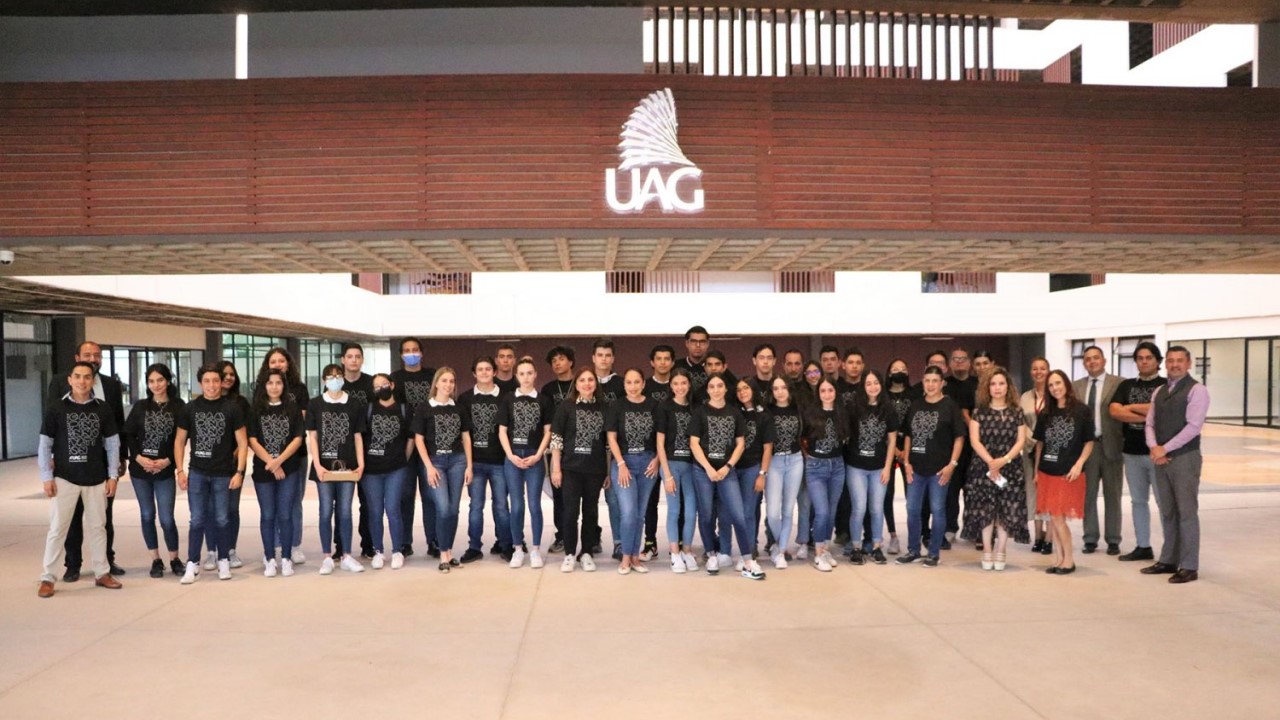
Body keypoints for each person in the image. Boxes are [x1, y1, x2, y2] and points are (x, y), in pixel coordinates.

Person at [36, 361, 123, 598]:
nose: (82, 381)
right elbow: (45, 444)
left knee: (98, 528)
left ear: (92, 381)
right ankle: (48, 577)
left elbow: (112, 444)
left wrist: (113, 475)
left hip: (96, 478)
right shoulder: (56, 408)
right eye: (77, 376)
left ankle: (102, 573)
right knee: (58, 529)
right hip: (65, 478)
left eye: (87, 377)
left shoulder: (103, 409)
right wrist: (46, 476)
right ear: (70, 380)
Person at [1141, 346, 1209, 584]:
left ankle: (1189, 566)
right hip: (1160, 458)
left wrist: (1165, 448)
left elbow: (1193, 427)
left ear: (1188, 363)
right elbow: (1150, 423)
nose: (1175, 365)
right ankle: (1168, 559)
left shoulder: (1197, 390)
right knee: (1168, 511)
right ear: (1165, 364)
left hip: (1185, 458)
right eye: (1170, 361)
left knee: (1186, 512)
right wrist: (1154, 447)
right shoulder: (1159, 391)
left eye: (1180, 360)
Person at [175, 363, 249, 584]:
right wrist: (180, 470)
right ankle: (192, 563)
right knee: (197, 519)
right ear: (201, 383)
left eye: (216, 381)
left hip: (223, 473)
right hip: (197, 472)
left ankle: (224, 560)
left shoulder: (232, 408)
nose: (212, 385)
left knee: (222, 518)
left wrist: (239, 472)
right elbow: (179, 441)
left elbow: (242, 443)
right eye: (207, 381)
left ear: (221, 383)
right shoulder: (190, 408)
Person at [690, 373, 765, 580]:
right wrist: (708, 468)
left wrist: (728, 466)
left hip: (727, 471)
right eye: (712, 386)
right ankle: (711, 555)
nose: (716, 389)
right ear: (707, 390)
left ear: (725, 389)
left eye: (719, 385)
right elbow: (694, 443)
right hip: (703, 471)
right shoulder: (700, 412)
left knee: (738, 515)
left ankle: (748, 561)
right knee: (706, 515)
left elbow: (740, 443)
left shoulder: (734, 412)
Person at [123, 363, 185, 578]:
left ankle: (175, 558)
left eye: (160, 380)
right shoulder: (141, 406)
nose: (156, 385)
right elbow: (128, 435)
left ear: (168, 381)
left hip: (164, 470)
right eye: (151, 381)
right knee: (147, 514)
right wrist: (138, 457)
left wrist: (169, 461)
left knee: (166, 518)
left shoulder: (179, 406)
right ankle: (156, 560)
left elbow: (182, 439)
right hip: (141, 471)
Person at [899, 366, 966, 568]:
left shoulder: (950, 406)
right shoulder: (916, 405)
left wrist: (952, 464)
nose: (930, 385)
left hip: (939, 470)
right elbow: (908, 435)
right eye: (927, 380)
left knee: (937, 510)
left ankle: (934, 553)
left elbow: (959, 437)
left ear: (942, 383)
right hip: (916, 469)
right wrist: (906, 462)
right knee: (912, 509)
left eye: (935, 381)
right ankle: (913, 550)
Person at [963, 367, 1029, 571]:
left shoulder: (1016, 412)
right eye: (993, 384)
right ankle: (987, 550)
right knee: (986, 510)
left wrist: (1004, 460)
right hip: (983, 467)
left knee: (1005, 510)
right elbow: (974, 440)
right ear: (987, 387)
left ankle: (1001, 549)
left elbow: (1021, 440)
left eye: (1001, 383)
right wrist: (991, 462)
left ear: (1008, 386)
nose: (997, 388)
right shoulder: (979, 412)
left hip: (1010, 468)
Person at [306, 363, 368, 575]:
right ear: (324, 380)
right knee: (325, 511)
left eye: (338, 375)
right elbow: (313, 437)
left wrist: (361, 463)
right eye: (330, 376)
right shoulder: (315, 404)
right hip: (324, 467)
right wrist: (317, 464)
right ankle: (327, 557)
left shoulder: (354, 403)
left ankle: (347, 555)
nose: (335, 379)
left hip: (348, 467)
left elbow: (357, 436)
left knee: (345, 511)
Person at [1034, 369, 1095, 575]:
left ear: (1066, 384)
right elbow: (1040, 444)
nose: (1055, 388)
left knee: (1059, 518)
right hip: (1047, 471)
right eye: (1051, 385)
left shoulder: (1081, 410)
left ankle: (1068, 560)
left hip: (1067, 472)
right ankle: (1059, 559)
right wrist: (1036, 471)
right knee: (1053, 517)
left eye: (1058, 383)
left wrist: (1079, 464)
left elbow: (1089, 441)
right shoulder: (1046, 412)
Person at [1110, 342, 1166, 562]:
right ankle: (1143, 546)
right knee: (1138, 501)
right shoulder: (1126, 386)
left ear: (1158, 361)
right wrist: (1150, 415)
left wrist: (1131, 407)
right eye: (1140, 358)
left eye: (1149, 357)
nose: (1144, 361)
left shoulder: (1166, 385)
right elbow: (1115, 411)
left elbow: (1161, 410)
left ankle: (1170, 549)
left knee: (1163, 502)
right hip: (1131, 452)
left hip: (1158, 453)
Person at [412, 367, 472, 573]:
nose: (448, 385)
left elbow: (466, 437)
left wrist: (469, 466)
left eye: (451, 381)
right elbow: (418, 439)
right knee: (444, 508)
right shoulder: (424, 408)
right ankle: (442, 552)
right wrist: (428, 466)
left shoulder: (459, 408)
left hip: (457, 461)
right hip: (435, 462)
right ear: (436, 383)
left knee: (454, 509)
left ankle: (448, 553)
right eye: (444, 380)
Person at [247, 369, 305, 577]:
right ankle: (270, 558)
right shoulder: (256, 409)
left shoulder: (292, 408)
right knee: (268, 515)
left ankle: (286, 558)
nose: (274, 387)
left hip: (289, 469)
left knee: (285, 514)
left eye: (278, 383)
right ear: (264, 385)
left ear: (284, 385)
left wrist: (279, 461)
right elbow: (252, 440)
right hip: (263, 469)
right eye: (270, 383)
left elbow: (298, 438)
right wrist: (271, 462)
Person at [550, 366, 608, 573]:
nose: (587, 384)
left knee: (590, 512)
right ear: (576, 384)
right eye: (582, 380)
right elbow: (556, 439)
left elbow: (608, 444)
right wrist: (556, 469)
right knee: (570, 512)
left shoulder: (604, 407)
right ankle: (569, 554)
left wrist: (608, 471)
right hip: (571, 469)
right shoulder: (566, 407)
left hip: (595, 470)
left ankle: (586, 553)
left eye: (590, 380)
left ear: (596, 383)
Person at [499, 357, 554, 569]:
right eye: (522, 373)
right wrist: (510, 455)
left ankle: (535, 549)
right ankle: (517, 549)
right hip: (513, 457)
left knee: (533, 504)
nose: (526, 377)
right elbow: (502, 431)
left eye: (529, 373)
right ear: (516, 376)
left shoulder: (543, 401)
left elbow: (548, 431)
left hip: (534, 457)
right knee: (517, 505)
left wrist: (539, 455)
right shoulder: (508, 399)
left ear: (535, 374)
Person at [259, 346, 310, 564]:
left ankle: (294, 545)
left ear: (288, 363)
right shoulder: (261, 390)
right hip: (267, 458)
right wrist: (272, 459)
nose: (278, 364)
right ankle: (275, 545)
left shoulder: (299, 389)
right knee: (270, 508)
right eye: (273, 361)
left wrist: (282, 457)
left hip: (295, 454)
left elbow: (299, 422)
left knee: (293, 502)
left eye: (281, 361)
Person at [606, 368, 661, 574]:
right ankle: (625, 557)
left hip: (648, 463)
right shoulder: (616, 405)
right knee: (628, 512)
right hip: (624, 463)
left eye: (637, 382)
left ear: (643, 384)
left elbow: (661, 438)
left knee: (640, 514)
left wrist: (657, 460)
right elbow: (611, 438)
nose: (633, 386)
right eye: (628, 382)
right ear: (624, 384)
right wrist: (620, 464)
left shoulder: (654, 405)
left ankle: (635, 557)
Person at [460, 356, 513, 563]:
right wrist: (467, 464)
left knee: (501, 506)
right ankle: (474, 547)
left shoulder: (506, 397)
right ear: (474, 373)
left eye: (488, 369)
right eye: (480, 369)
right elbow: (463, 433)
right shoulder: (465, 399)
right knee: (475, 506)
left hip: (500, 461)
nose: (484, 372)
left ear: (494, 372)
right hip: (476, 462)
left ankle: (506, 545)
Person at [1073, 345, 1124, 556]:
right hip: (1087, 448)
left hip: (1112, 446)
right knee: (1088, 495)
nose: (1092, 362)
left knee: (1113, 495)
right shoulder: (1076, 387)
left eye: (1096, 358)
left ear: (1104, 360)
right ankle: (1090, 538)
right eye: (1088, 359)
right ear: (1084, 363)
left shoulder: (1119, 383)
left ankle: (1113, 539)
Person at [844, 369, 898, 566]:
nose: (872, 387)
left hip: (878, 468)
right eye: (868, 383)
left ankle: (876, 546)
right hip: (856, 466)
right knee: (859, 508)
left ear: (881, 385)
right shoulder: (853, 407)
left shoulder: (888, 409)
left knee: (876, 508)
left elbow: (892, 441)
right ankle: (856, 548)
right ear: (863, 386)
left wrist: (887, 467)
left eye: (876, 383)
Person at [391, 337, 437, 559]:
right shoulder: (395, 379)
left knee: (431, 496)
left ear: (422, 353)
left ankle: (434, 541)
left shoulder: (432, 375)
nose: (411, 353)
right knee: (405, 496)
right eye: (407, 350)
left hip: (431, 446)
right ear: (401, 355)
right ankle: (404, 542)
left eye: (415, 350)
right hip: (405, 446)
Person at [362, 373, 413, 570]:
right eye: (376, 386)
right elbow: (360, 438)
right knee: (375, 511)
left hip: (396, 468)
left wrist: (403, 459)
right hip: (371, 470)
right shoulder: (368, 409)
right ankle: (378, 551)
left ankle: (398, 550)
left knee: (393, 509)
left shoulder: (404, 409)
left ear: (392, 385)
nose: (381, 388)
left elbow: (411, 438)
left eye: (384, 384)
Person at [207, 360, 251, 571]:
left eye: (232, 374)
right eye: (224, 374)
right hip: (210, 465)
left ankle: (231, 550)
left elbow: (246, 435)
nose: (228, 378)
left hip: (234, 463)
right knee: (211, 509)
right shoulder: (206, 402)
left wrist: (233, 454)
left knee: (231, 509)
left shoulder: (240, 403)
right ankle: (212, 552)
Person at [800, 377, 847, 572]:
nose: (827, 394)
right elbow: (801, 438)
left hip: (837, 466)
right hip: (816, 467)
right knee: (822, 512)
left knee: (832, 512)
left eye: (830, 390)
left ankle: (825, 549)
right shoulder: (810, 414)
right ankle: (818, 554)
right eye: (823, 391)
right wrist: (809, 457)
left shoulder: (842, 413)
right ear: (818, 393)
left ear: (835, 392)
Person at [656, 368, 699, 572]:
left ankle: (687, 550)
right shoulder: (664, 407)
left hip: (690, 465)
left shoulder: (695, 408)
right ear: (670, 386)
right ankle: (674, 553)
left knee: (691, 510)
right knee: (674, 510)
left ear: (689, 385)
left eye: (683, 383)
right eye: (675, 383)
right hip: (671, 464)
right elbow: (660, 443)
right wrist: (667, 475)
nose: (680, 387)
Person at [338, 343, 375, 559]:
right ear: (343, 360)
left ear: (362, 360)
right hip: (342, 451)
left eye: (357, 356)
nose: (354, 360)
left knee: (367, 502)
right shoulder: (335, 383)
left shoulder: (370, 384)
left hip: (367, 448)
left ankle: (368, 545)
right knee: (341, 504)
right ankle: (340, 547)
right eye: (350, 356)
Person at [733, 377, 774, 566]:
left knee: (749, 511)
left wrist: (762, 474)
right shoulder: (734, 412)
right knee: (734, 512)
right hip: (732, 468)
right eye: (739, 389)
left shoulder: (764, 415)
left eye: (746, 388)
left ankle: (748, 552)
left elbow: (767, 448)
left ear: (754, 390)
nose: (742, 392)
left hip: (752, 468)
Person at [540, 345, 576, 554]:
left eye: (561, 359)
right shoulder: (547, 389)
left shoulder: (581, 383)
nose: (557, 363)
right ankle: (561, 535)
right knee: (559, 496)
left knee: (585, 497)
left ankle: (592, 536)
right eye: (553, 361)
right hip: (556, 447)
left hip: (579, 446)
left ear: (571, 361)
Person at [765, 376, 803, 569]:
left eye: (783, 387)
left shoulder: (798, 409)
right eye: (775, 388)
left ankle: (779, 551)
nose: (780, 392)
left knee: (788, 510)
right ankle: (780, 545)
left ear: (789, 389)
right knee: (772, 512)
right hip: (774, 462)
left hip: (795, 460)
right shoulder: (767, 411)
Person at [641, 344, 676, 558]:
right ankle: (650, 542)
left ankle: (677, 543)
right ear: (652, 362)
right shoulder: (644, 387)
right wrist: (654, 455)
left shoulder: (679, 386)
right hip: (651, 454)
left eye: (667, 359)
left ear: (672, 362)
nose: (663, 362)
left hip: (675, 455)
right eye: (659, 359)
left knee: (677, 501)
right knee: (650, 501)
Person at [592, 338, 625, 558]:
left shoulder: (621, 384)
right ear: (593, 358)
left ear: (613, 358)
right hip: (589, 451)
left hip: (614, 450)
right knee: (589, 500)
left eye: (607, 355)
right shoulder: (585, 381)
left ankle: (619, 543)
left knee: (613, 500)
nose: (604, 359)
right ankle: (592, 539)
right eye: (600, 355)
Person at [943, 347, 977, 550]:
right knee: (951, 490)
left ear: (969, 363)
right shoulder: (944, 385)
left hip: (974, 447)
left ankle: (972, 528)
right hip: (951, 447)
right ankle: (950, 527)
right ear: (949, 363)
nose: (959, 362)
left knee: (973, 490)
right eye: (955, 359)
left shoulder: (978, 385)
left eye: (963, 359)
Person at [1020, 357, 1053, 555]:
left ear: (1048, 371)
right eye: (1035, 369)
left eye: (1042, 368)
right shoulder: (1025, 397)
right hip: (1029, 450)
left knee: (1049, 493)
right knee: (1033, 493)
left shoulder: (1055, 394)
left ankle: (1049, 538)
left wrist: (1042, 439)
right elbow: (1020, 422)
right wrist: (1032, 440)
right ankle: (1038, 536)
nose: (1038, 372)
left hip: (1051, 451)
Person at [883, 358, 916, 555]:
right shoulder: (883, 395)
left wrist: (905, 452)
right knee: (887, 494)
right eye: (895, 369)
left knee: (912, 495)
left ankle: (915, 535)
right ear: (889, 373)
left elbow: (915, 423)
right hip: (887, 449)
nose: (899, 372)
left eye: (903, 369)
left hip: (910, 450)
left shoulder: (914, 395)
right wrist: (894, 449)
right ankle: (893, 535)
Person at [676, 325, 711, 397]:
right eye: (693, 341)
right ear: (687, 343)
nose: (698, 345)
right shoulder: (676, 366)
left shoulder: (715, 366)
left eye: (702, 341)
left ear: (707, 344)